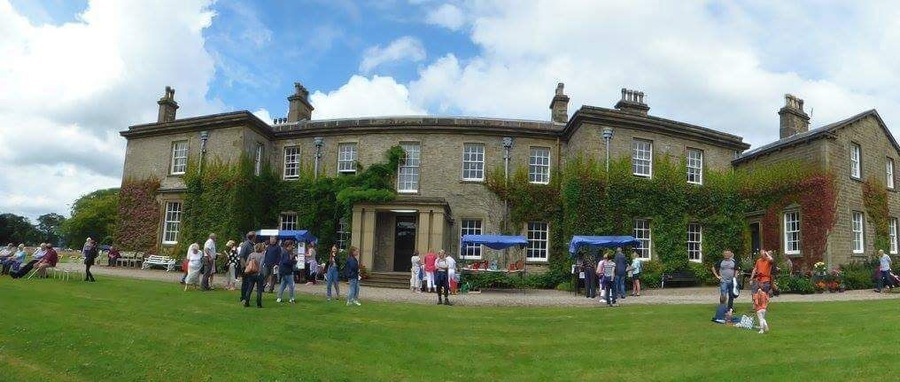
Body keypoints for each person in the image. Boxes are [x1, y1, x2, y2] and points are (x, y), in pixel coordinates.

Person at [241, 242, 266, 308]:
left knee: (249, 288)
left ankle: (246, 302)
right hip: (259, 274)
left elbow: (247, 263)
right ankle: (259, 304)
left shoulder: (251, 255)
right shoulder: (262, 255)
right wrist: (259, 272)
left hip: (251, 273)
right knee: (259, 289)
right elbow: (261, 264)